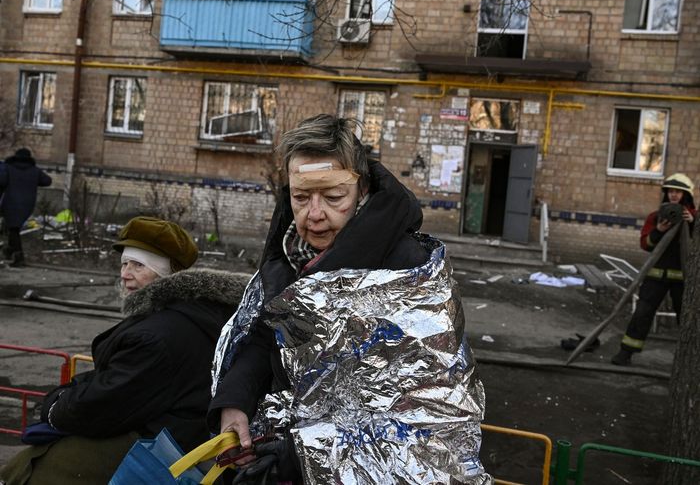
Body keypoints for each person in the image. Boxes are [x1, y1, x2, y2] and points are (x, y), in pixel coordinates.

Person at [208, 114, 489, 484]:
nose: (315, 214)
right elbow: (267, 338)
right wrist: (235, 401)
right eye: (301, 197)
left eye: (334, 197)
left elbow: (430, 413)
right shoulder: (290, 255)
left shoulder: (405, 267)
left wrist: (302, 453)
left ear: (362, 192)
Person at [0, 216, 248, 484]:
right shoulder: (194, 312)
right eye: (124, 264)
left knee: (33, 471)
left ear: (168, 273)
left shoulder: (158, 333)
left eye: (138, 265)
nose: (125, 274)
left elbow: (104, 404)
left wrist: (55, 405)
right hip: (180, 440)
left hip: (158, 451)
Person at [611, 173, 696, 366]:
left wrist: (692, 222)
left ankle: (688, 362)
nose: (674, 195)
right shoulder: (655, 216)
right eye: (670, 191)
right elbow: (645, 244)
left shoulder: (695, 218)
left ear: (686, 195)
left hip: (683, 279)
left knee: (686, 319)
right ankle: (626, 352)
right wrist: (658, 230)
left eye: (678, 192)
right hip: (655, 277)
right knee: (642, 313)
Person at [0, 148, 52, 267]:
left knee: (13, 229)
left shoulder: (8, 168)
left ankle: (18, 257)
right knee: (14, 228)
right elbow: (47, 181)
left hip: (10, 202)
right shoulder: (34, 170)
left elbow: (2, 181)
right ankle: (10, 251)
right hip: (27, 204)